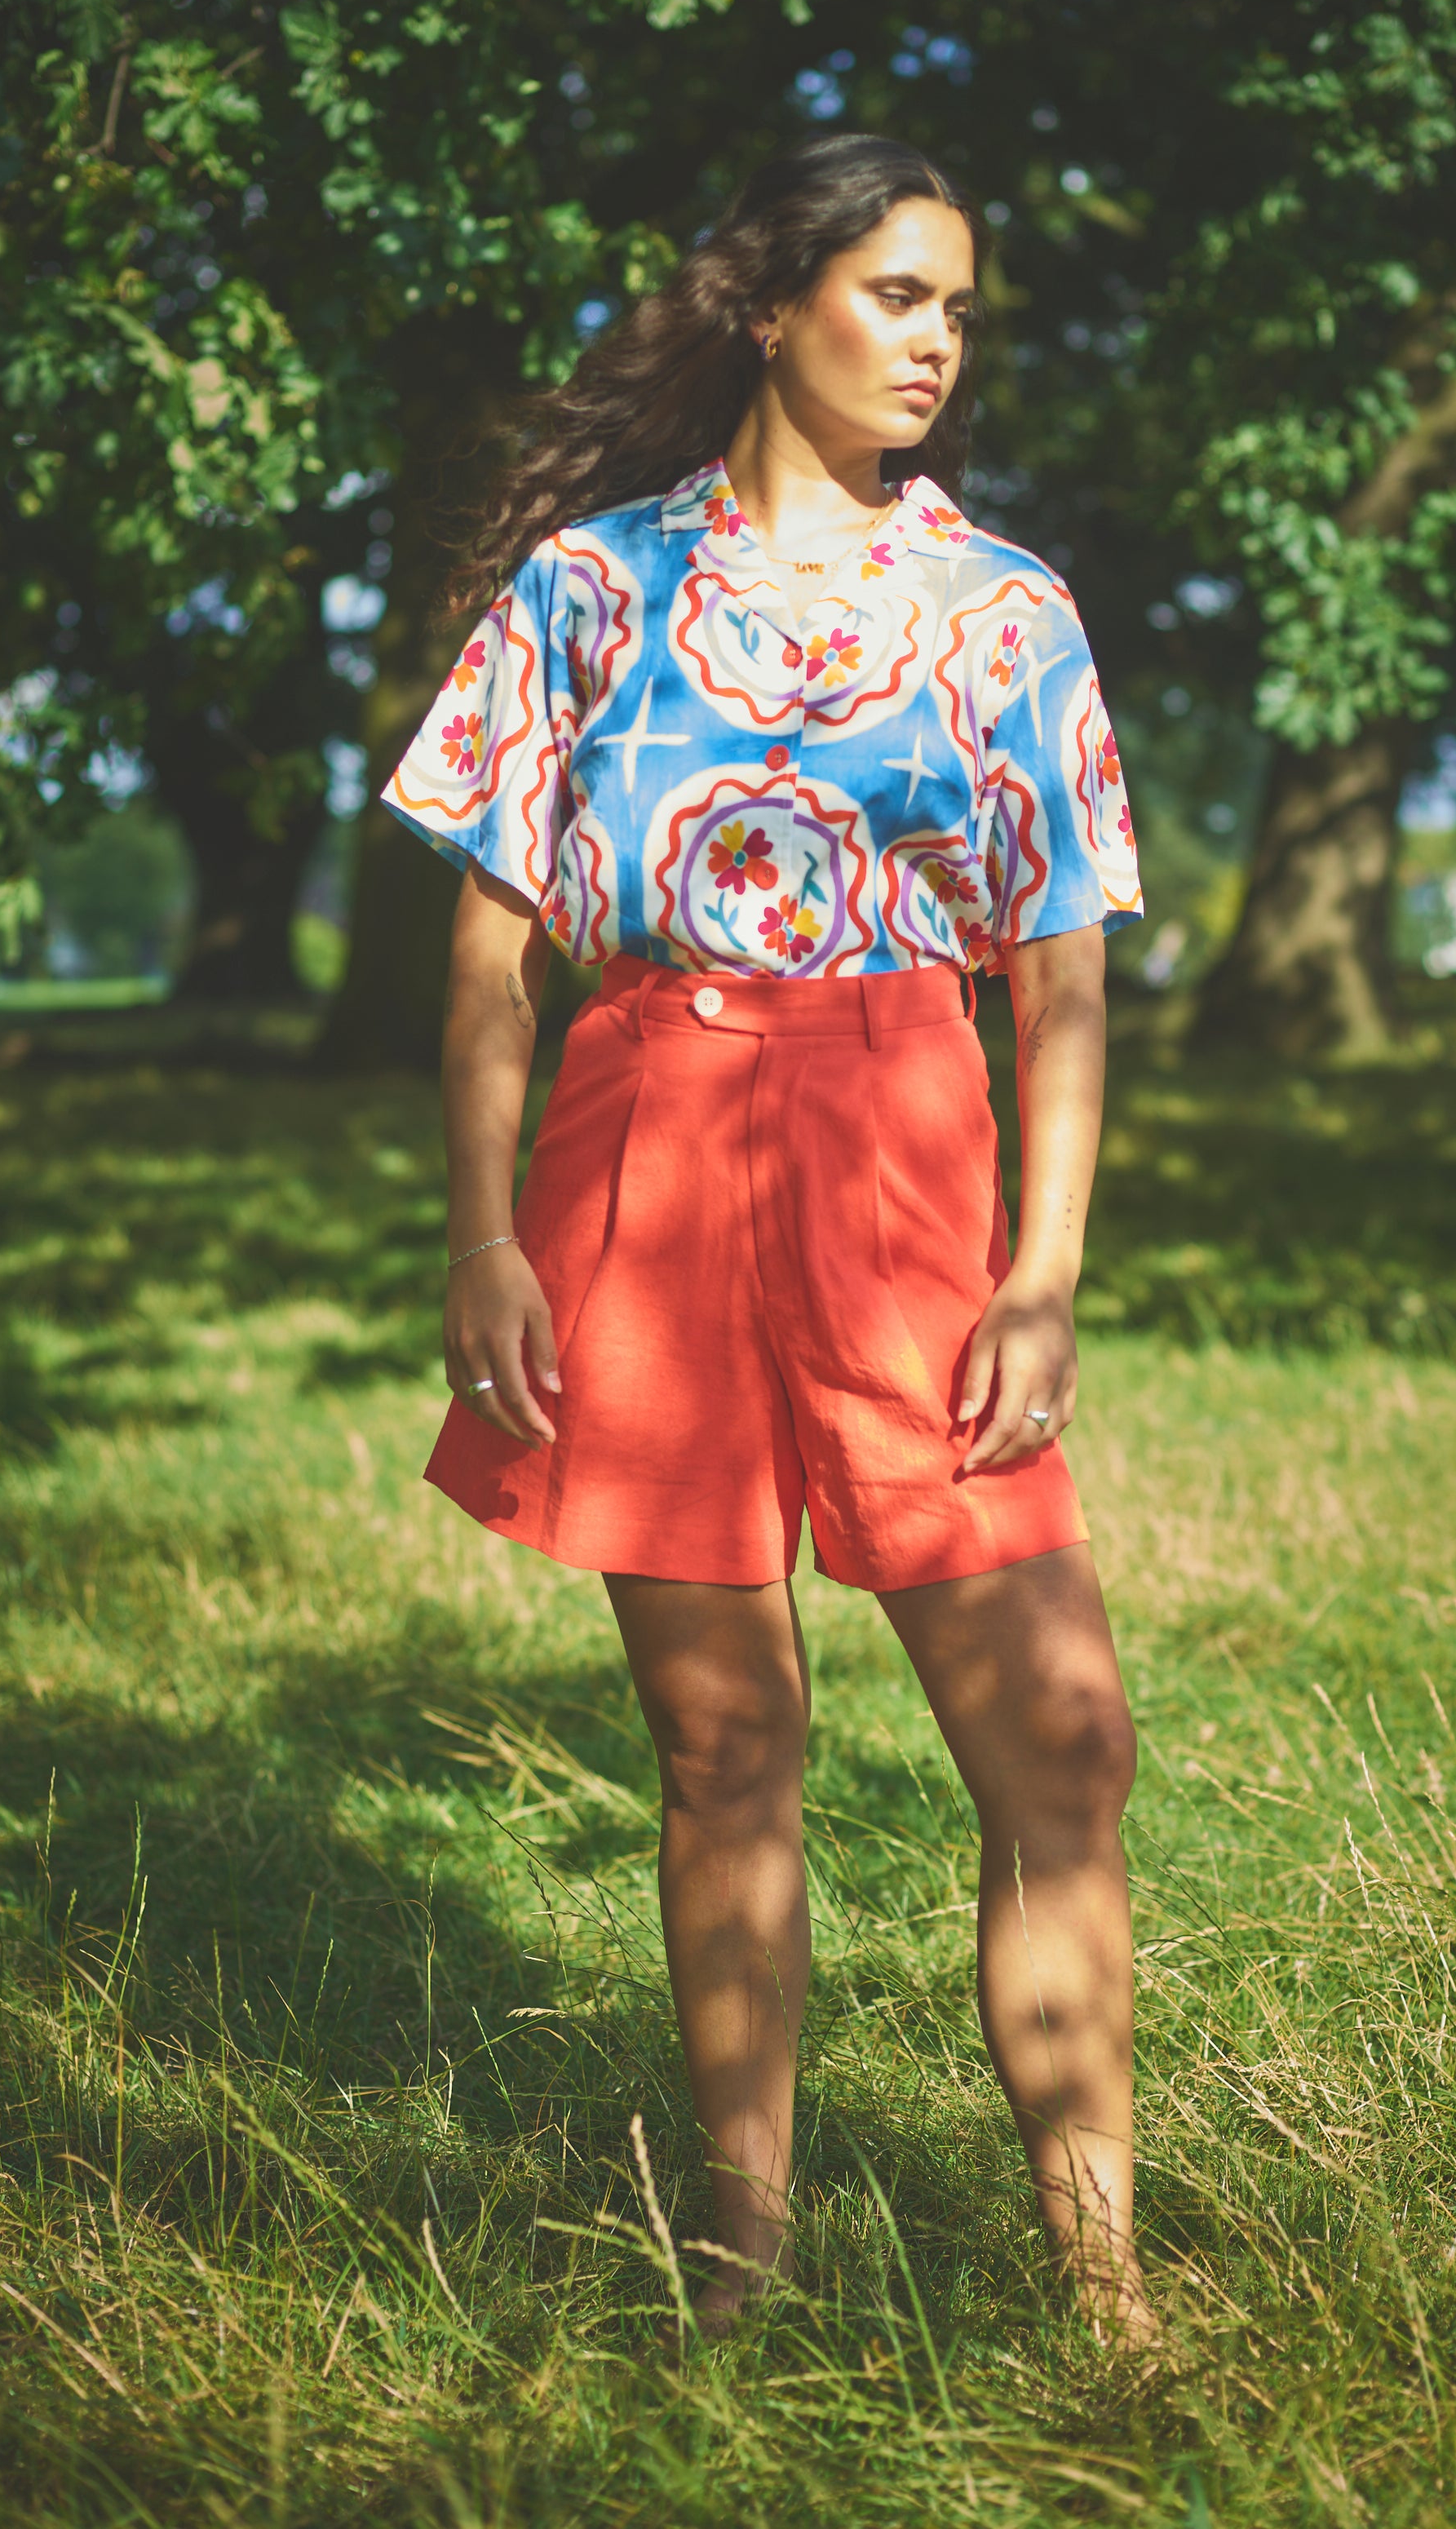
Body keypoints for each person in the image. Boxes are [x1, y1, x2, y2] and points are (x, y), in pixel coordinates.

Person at [381, 131, 1152, 2344]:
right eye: (898, 292)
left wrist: (1046, 1265)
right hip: (643, 1155)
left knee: (1063, 1734)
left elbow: (1065, 973)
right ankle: (739, 2267)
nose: (937, 339)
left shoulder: (1003, 609)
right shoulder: (590, 586)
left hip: (911, 1162)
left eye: (961, 307)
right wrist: (486, 1238)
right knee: (725, 1738)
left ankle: (1107, 2290)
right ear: (772, 303)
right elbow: (491, 951)